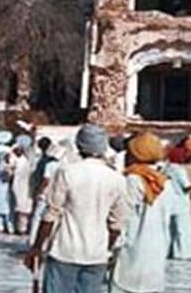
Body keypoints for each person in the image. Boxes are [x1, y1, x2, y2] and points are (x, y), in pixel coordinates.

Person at [26, 125, 128, 293]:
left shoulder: (67, 172)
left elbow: (51, 214)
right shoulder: (116, 178)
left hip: (65, 251)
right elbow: (116, 224)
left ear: (79, 145)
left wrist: (37, 247)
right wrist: (105, 247)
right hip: (97, 254)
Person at [109, 133, 171, 293]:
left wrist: (111, 244)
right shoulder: (163, 180)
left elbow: (123, 215)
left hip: (133, 246)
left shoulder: (134, 180)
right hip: (156, 247)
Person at [163, 146, 191, 260]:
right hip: (181, 201)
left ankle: (171, 251)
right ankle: (183, 252)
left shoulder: (166, 168)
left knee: (172, 228)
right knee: (183, 228)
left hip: (170, 201)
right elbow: (186, 185)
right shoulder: (178, 169)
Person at [10, 136, 34, 235]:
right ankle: (21, 228)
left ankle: (24, 228)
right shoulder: (16, 160)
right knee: (21, 209)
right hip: (20, 186)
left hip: (27, 187)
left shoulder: (26, 161)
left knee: (25, 209)